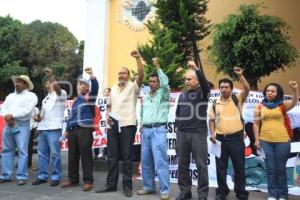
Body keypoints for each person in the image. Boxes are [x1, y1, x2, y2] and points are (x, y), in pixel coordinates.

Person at [95, 50, 144, 197]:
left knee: (127, 156)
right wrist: (108, 116)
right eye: (119, 73)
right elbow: (109, 105)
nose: (121, 75)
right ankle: (111, 185)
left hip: (128, 124)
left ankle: (127, 187)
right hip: (113, 125)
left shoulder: (133, 86)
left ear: (128, 76)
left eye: (124, 73)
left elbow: (141, 75)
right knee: (111, 156)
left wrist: (138, 59)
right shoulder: (114, 87)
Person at [208, 67, 250, 200]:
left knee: (239, 167)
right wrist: (212, 134)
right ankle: (222, 191)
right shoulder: (215, 103)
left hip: (236, 139)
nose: (224, 89)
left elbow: (247, 88)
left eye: (226, 87)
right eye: (221, 87)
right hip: (220, 140)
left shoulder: (237, 98)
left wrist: (240, 75)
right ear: (219, 88)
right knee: (221, 168)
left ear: (231, 89)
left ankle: (241, 192)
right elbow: (211, 120)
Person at [253, 81, 298, 200]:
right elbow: (256, 124)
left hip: (282, 141)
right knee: (271, 169)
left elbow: (294, 102)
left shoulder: (282, 105)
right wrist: (256, 139)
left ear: (278, 93)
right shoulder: (259, 106)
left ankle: (283, 195)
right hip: (265, 141)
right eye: (267, 90)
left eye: (272, 91)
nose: (269, 92)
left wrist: (294, 89)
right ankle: (272, 194)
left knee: (280, 169)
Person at [175, 61, 210, 200]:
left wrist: (196, 69)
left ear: (197, 81)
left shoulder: (203, 93)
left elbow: (206, 84)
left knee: (201, 165)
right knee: (182, 164)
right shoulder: (182, 95)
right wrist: (178, 126)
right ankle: (185, 192)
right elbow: (178, 112)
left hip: (198, 133)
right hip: (182, 134)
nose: (187, 81)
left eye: (189, 79)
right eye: (185, 79)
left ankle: (202, 195)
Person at [136, 58, 170, 200]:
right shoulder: (145, 95)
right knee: (146, 160)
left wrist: (157, 67)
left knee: (160, 161)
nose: (151, 83)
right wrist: (142, 124)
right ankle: (148, 187)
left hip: (158, 130)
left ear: (158, 83)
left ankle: (165, 190)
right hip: (146, 131)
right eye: (150, 81)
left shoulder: (163, 93)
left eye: (154, 81)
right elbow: (142, 112)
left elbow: (166, 83)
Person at [61, 67, 99, 191]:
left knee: (86, 155)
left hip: (84, 129)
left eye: (82, 84)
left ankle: (88, 181)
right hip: (73, 130)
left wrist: (92, 76)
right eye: (78, 84)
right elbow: (71, 116)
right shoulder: (76, 101)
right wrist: (67, 130)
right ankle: (73, 179)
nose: (79, 86)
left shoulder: (90, 97)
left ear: (87, 88)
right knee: (72, 155)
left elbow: (95, 87)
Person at [0, 75, 38, 185]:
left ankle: (22, 175)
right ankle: (6, 175)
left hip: (21, 124)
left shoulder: (31, 96)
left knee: (22, 150)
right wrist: (7, 116)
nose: (17, 83)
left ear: (26, 84)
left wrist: (12, 115)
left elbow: (27, 111)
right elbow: (3, 108)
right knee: (6, 149)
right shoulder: (10, 96)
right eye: (16, 81)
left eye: (20, 82)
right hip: (9, 123)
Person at [31, 78, 67, 187]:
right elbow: (42, 115)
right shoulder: (45, 98)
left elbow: (58, 89)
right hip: (42, 128)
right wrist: (38, 118)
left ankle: (56, 176)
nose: (48, 84)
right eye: (47, 83)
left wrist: (51, 76)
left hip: (54, 128)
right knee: (42, 154)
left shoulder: (62, 93)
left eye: (50, 82)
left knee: (55, 154)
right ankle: (42, 176)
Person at [94, 87, 111, 160]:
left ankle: (105, 153)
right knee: (97, 135)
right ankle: (96, 153)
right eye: (105, 91)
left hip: (106, 120)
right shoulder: (99, 100)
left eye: (108, 92)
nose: (106, 93)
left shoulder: (111, 100)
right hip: (100, 120)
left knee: (106, 136)